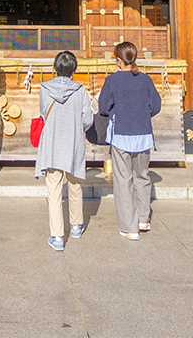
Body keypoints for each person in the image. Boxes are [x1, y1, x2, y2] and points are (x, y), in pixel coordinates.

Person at [97, 40, 162, 239]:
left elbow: (103, 108)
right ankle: (143, 219)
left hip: (121, 135)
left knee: (123, 180)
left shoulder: (113, 81)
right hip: (143, 134)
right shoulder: (145, 80)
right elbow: (156, 105)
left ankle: (129, 227)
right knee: (142, 176)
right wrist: (141, 114)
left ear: (118, 60)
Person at [34, 50, 95, 252]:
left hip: (52, 142)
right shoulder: (80, 90)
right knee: (75, 184)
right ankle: (76, 225)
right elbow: (87, 118)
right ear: (74, 70)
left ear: (55, 68)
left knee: (54, 190)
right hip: (73, 140)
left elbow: (44, 112)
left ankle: (57, 236)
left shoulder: (45, 88)